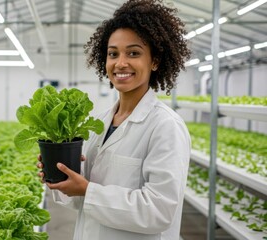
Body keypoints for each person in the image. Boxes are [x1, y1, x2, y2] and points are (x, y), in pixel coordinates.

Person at [37, 0, 192, 239]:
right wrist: (62, 178)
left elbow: (159, 212)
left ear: (155, 61)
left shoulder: (165, 126)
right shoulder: (100, 123)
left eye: (134, 53)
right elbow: (82, 201)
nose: (120, 63)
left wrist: (88, 190)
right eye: (113, 54)